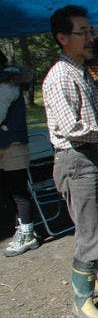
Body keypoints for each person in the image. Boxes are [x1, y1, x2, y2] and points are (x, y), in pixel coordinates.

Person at [42, 5, 98, 318]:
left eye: (91, 31)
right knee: (90, 232)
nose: (90, 38)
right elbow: (73, 129)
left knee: (95, 226)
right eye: (84, 32)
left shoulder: (80, 72)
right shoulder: (60, 76)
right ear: (63, 38)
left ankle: (91, 282)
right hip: (75, 161)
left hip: (89, 159)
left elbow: (91, 119)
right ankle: (81, 300)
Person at [1, 52, 39, 257]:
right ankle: (21, 228)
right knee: (9, 190)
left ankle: (28, 235)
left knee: (18, 191)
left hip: (13, 146)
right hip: (5, 145)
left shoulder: (6, 85)